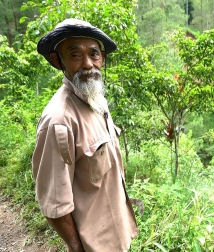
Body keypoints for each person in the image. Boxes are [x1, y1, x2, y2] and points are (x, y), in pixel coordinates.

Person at [32, 18, 139, 252]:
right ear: (57, 61)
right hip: (94, 245)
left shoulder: (94, 99)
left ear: (103, 57)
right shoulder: (59, 121)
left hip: (117, 232)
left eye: (94, 53)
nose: (88, 64)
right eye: (75, 55)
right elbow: (55, 204)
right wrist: (77, 248)